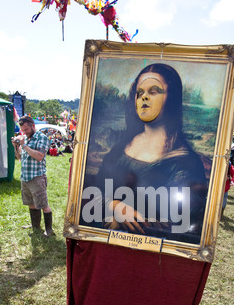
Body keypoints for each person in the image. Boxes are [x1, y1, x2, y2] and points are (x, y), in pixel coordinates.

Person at [81, 63, 208, 245]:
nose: (144, 98)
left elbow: (181, 221)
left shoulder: (185, 162)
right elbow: (95, 189)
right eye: (139, 93)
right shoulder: (120, 148)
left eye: (154, 91)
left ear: (171, 99)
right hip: (105, 247)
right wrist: (114, 205)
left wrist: (125, 221)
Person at [12, 116, 54, 237]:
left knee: (43, 205)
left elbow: (39, 156)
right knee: (31, 203)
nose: (24, 132)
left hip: (37, 177)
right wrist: (16, 146)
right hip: (25, 177)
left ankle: (49, 230)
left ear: (33, 126)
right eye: (22, 130)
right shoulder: (25, 138)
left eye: (26, 129)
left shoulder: (42, 137)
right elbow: (20, 157)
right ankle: (35, 226)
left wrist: (24, 145)